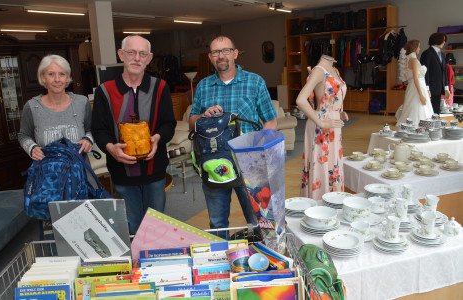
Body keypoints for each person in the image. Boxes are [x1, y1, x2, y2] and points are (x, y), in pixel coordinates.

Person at [189, 35, 277, 238]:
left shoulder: (254, 82)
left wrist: (260, 151)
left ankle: (264, 262)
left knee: (260, 220)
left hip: (250, 164)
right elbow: (192, 121)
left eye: (225, 51)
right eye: (215, 52)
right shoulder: (203, 86)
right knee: (218, 223)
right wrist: (202, 116)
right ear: (210, 57)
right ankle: (222, 263)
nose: (221, 56)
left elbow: (271, 120)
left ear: (235, 54)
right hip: (214, 164)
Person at [92, 35, 176, 235]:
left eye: (142, 54)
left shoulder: (160, 87)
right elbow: (99, 130)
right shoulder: (105, 91)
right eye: (131, 52)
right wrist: (111, 148)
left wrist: (157, 138)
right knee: (131, 227)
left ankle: (155, 263)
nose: (136, 58)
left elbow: (169, 124)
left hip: (154, 171)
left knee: (156, 226)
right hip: (122, 173)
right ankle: (136, 265)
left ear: (149, 58)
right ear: (121, 55)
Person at [18, 54, 93, 161]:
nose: (57, 79)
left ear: (67, 78)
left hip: (80, 172)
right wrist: (32, 148)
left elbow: (91, 130)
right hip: (49, 174)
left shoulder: (82, 102)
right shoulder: (32, 106)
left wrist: (88, 140)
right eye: (51, 74)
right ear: (43, 77)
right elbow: (23, 135)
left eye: (62, 74)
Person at [296, 55, 348, 200]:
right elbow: (300, 100)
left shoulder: (334, 70)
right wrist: (322, 123)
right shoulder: (319, 70)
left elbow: (333, 97)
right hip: (321, 127)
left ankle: (333, 203)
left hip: (334, 125)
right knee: (322, 168)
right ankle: (319, 206)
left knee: (333, 166)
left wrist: (339, 112)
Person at [395, 40, 433, 127]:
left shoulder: (410, 58)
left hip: (415, 86)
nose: (419, 48)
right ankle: (418, 127)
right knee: (418, 108)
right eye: (418, 47)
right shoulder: (413, 60)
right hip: (417, 87)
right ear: (414, 48)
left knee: (413, 108)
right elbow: (416, 78)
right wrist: (421, 95)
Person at [420, 32, 451, 114]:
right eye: (443, 40)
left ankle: (436, 126)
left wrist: (446, 88)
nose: (444, 42)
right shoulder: (427, 53)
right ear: (437, 40)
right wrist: (426, 88)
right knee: (428, 111)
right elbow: (425, 72)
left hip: (439, 88)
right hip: (430, 88)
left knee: (436, 111)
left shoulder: (442, 55)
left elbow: (444, 72)